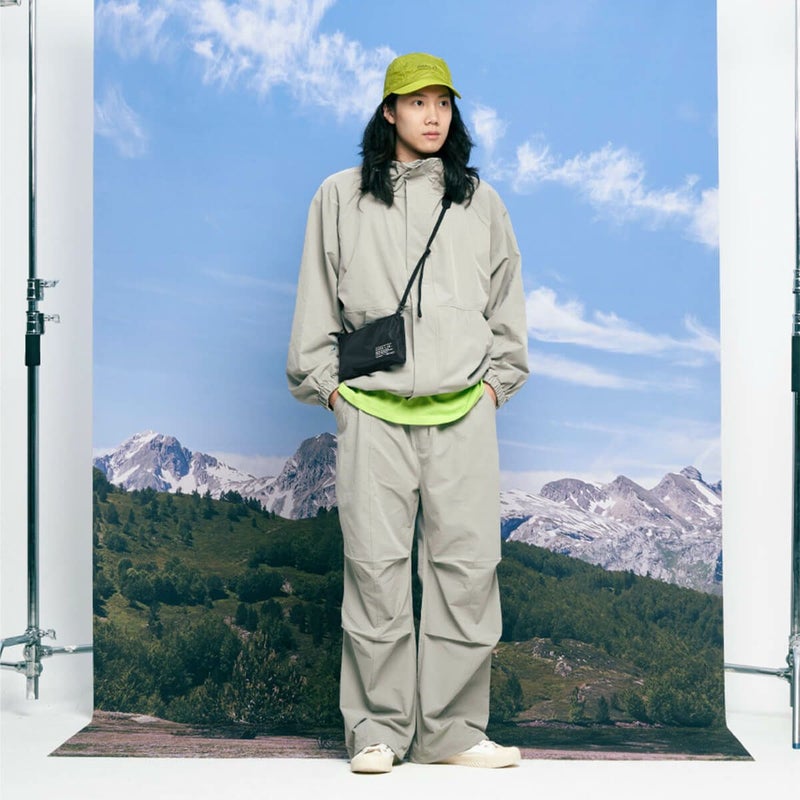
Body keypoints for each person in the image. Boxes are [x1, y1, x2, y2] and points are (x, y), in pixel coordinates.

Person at [286, 52, 529, 773]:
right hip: (372, 411)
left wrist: (495, 387)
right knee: (375, 571)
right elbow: (316, 299)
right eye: (416, 102)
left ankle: (453, 734)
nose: (432, 116)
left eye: (443, 103)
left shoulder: (480, 201)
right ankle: (377, 731)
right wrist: (333, 391)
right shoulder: (338, 196)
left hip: (463, 413)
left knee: (468, 571)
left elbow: (506, 299)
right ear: (388, 111)